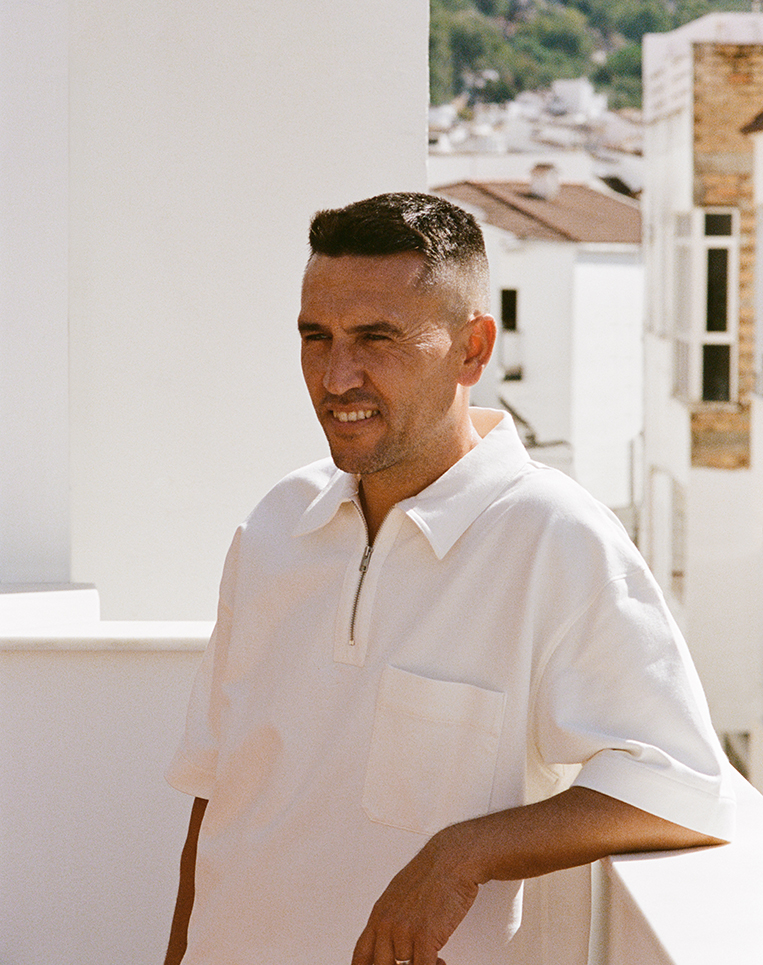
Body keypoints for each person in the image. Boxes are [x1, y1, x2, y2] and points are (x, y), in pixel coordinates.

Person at [164, 192, 735, 965]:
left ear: (473, 348)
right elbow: (218, 796)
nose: (335, 376)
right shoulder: (274, 523)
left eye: (376, 339)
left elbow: (681, 787)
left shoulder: (553, 537)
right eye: (316, 337)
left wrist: (461, 853)